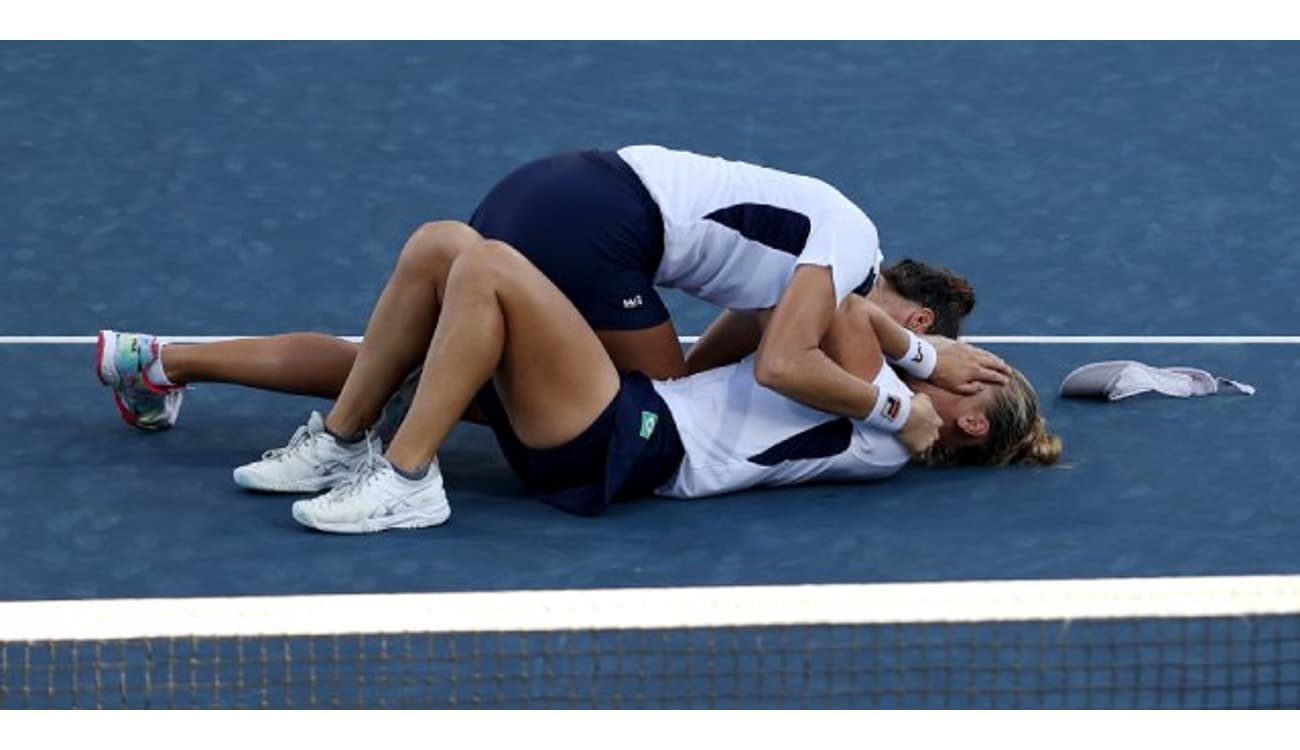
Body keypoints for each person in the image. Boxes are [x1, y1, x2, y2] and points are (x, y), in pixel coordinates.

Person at [161, 222, 1057, 533]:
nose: (967, 369)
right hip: (630, 415)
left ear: (970, 422)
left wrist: (924, 354)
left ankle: (404, 480)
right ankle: (333, 437)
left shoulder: (896, 419)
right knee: (446, 247)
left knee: (493, 269)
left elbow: (846, 308)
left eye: (980, 376)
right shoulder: (873, 403)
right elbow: (774, 315)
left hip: (623, 449)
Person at [96, 145, 1006, 432]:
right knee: (621, 402)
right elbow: (781, 362)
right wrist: (908, 395)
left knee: (400, 359)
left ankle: (162, 359)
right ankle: (407, 451)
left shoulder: (816, 250)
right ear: (915, 311)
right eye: (915, 339)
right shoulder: (849, 258)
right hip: (598, 230)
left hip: (559, 190)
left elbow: (739, 336)